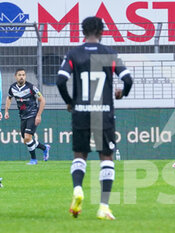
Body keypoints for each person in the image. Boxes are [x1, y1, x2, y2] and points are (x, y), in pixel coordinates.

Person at [56, 16, 133, 220]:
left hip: (81, 111)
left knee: (79, 155)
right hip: (103, 112)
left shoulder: (74, 53)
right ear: (101, 32)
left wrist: (70, 101)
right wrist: (122, 93)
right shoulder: (109, 54)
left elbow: (60, 80)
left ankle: (78, 189)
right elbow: (128, 79)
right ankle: (103, 207)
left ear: (83, 32)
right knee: (106, 157)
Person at [4, 68, 50, 165]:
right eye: (19, 75)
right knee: (26, 140)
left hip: (32, 114)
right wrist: (6, 111)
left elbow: (42, 100)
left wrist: (39, 115)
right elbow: (9, 98)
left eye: (23, 75)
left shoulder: (31, 87)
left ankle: (34, 160)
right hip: (22, 116)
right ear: (15, 76)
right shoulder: (12, 88)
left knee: (28, 137)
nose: (22, 77)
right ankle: (44, 148)